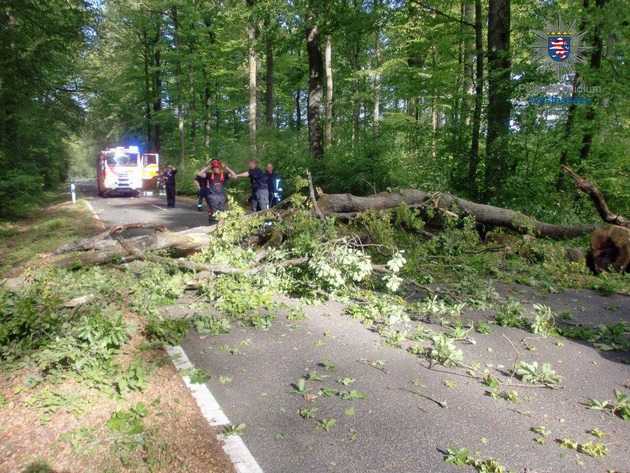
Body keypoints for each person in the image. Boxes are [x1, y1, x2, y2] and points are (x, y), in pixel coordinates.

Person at [206, 159, 237, 224]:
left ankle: (221, 227)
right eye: (214, 168)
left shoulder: (224, 175)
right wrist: (208, 167)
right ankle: (212, 226)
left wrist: (226, 167)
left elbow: (235, 176)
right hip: (212, 197)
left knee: (222, 213)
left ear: (220, 168)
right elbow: (199, 174)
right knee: (213, 213)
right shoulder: (209, 174)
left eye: (217, 168)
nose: (215, 169)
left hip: (222, 197)